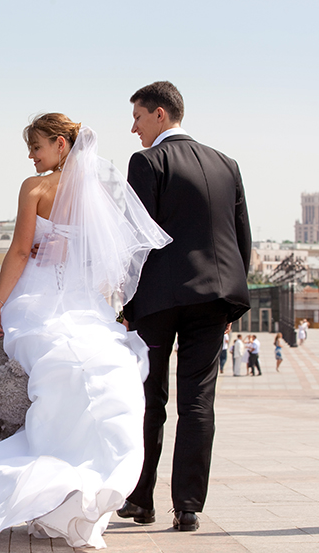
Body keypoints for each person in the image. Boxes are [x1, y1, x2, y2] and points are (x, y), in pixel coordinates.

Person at [0, 115, 170, 549]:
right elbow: (102, 262)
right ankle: (63, 500)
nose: (31, 156)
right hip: (84, 305)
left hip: (37, 300)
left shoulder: (35, 188)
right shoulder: (96, 194)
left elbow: (21, 250)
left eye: (37, 147)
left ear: (61, 144)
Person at [116, 82, 251, 533]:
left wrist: (128, 304)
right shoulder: (226, 164)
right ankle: (189, 506)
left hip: (158, 299)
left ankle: (140, 499)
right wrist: (228, 301)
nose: (133, 128)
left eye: (137, 117)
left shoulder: (148, 161)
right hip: (213, 298)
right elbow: (240, 237)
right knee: (198, 403)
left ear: (159, 114)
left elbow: (136, 239)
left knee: (148, 399)